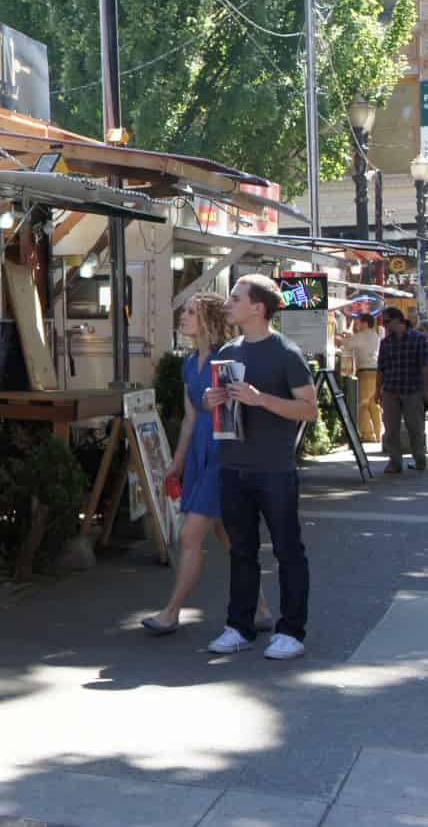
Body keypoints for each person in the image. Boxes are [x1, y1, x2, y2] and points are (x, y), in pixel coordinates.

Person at [142, 294, 272, 635]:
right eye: (183, 310)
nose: (183, 317)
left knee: (188, 536)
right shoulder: (188, 363)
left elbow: (231, 417)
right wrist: (178, 463)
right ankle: (260, 609)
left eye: (191, 312)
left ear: (209, 319)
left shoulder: (224, 359)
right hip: (200, 455)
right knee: (229, 537)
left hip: (221, 456)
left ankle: (171, 613)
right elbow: (188, 418)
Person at [203, 275, 317, 660]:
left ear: (258, 308)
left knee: (288, 551)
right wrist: (211, 399)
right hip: (233, 466)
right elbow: (217, 408)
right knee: (241, 551)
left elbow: (309, 409)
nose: (228, 303)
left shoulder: (286, 352)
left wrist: (260, 399)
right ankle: (239, 626)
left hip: (274, 470)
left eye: (236, 298)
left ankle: (292, 631)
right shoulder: (229, 350)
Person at [374, 307, 428, 474]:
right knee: (390, 429)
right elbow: (381, 368)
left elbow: (425, 367)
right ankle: (394, 462)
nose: (385, 325)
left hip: (413, 389)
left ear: (398, 320)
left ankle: (420, 460)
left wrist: (426, 390)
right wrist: (377, 391)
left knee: (416, 428)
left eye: (387, 321)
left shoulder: (419, 339)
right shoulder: (385, 342)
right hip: (391, 390)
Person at [338, 313, 382, 444]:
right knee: (374, 405)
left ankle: (368, 434)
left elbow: (347, 344)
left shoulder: (363, 335)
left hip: (365, 372)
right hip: (375, 372)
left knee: (363, 404)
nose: (356, 324)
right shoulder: (374, 335)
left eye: (358, 322)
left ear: (365, 323)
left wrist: (340, 338)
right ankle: (378, 434)